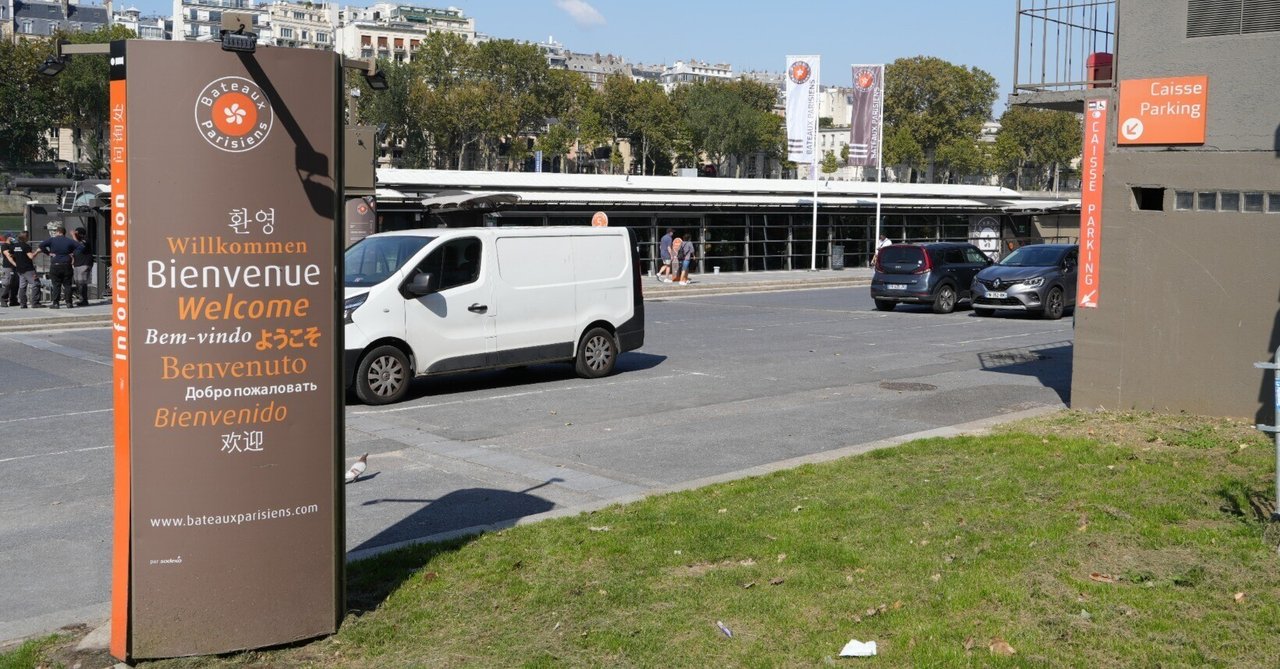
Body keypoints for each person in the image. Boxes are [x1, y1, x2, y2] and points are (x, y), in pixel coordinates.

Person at [36, 225, 82, 309]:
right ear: (64, 233)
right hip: (66, 265)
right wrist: (72, 253)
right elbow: (80, 247)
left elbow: (41, 245)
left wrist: (48, 253)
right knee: (67, 284)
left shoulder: (52, 240)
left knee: (56, 285)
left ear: (57, 232)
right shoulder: (69, 241)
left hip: (55, 264)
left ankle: (56, 303)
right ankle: (69, 303)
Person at [5, 233, 37, 309]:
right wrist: (37, 251)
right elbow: (31, 256)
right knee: (36, 284)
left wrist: (17, 257)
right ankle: (35, 303)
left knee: (22, 286)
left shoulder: (14, 246)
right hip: (28, 269)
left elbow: (10, 255)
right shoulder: (26, 246)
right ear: (25, 238)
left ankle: (23, 304)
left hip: (19, 269)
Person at [71, 227, 94, 306]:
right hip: (77, 264)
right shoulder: (76, 242)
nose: (75, 235)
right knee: (77, 282)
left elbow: (80, 245)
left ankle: (84, 300)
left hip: (84, 263)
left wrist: (74, 236)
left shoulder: (85, 240)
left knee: (82, 282)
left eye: (77, 234)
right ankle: (81, 299)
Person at [0, 234, 16, 307]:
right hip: (8, 266)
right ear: (8, 238)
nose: (13, 238)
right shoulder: (4, 245)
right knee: (7, 283)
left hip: (15, 266)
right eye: (11, 236)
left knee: (15, 284)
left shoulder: (14, 245)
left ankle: (13, 300)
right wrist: (15, 264)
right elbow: (8, 256)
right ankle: (3, 300)